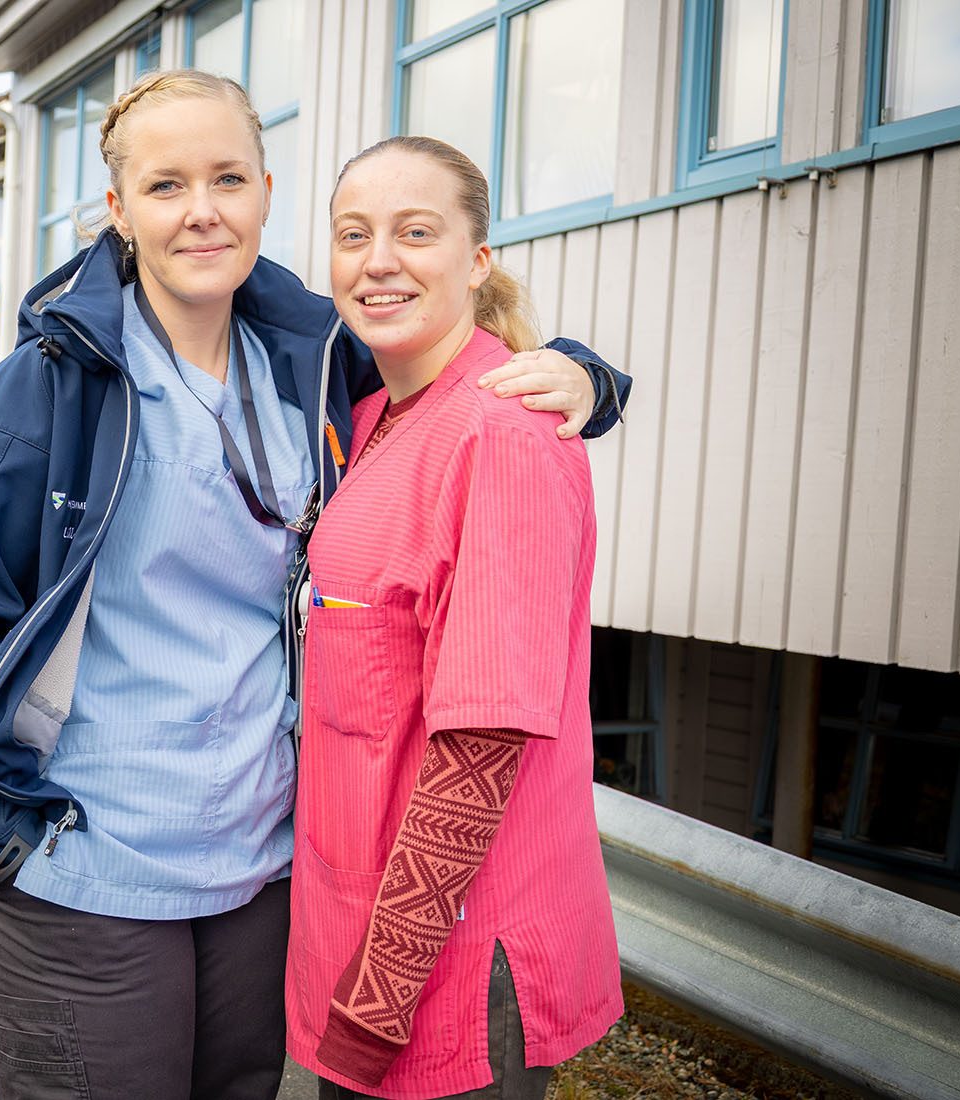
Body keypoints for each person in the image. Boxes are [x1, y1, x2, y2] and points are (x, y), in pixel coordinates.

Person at [0, 71, 627, 1100]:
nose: (202, 210)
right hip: (87, 862)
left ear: (266, 192)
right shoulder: (53, 382)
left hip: (255, 876)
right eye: (166, 185)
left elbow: (469, 374)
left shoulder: (316, 366)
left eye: (228, 178)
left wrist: (589, 378)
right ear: (118, 208)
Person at [286, 135, 623, 1100]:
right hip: (358, 938)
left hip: (443, 982)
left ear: (478, 262)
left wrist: (376, 1001)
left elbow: (480, 743)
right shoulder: (378, 414)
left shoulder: (499, 432)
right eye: (354, 235)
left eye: (415, 231)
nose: (378, 259)